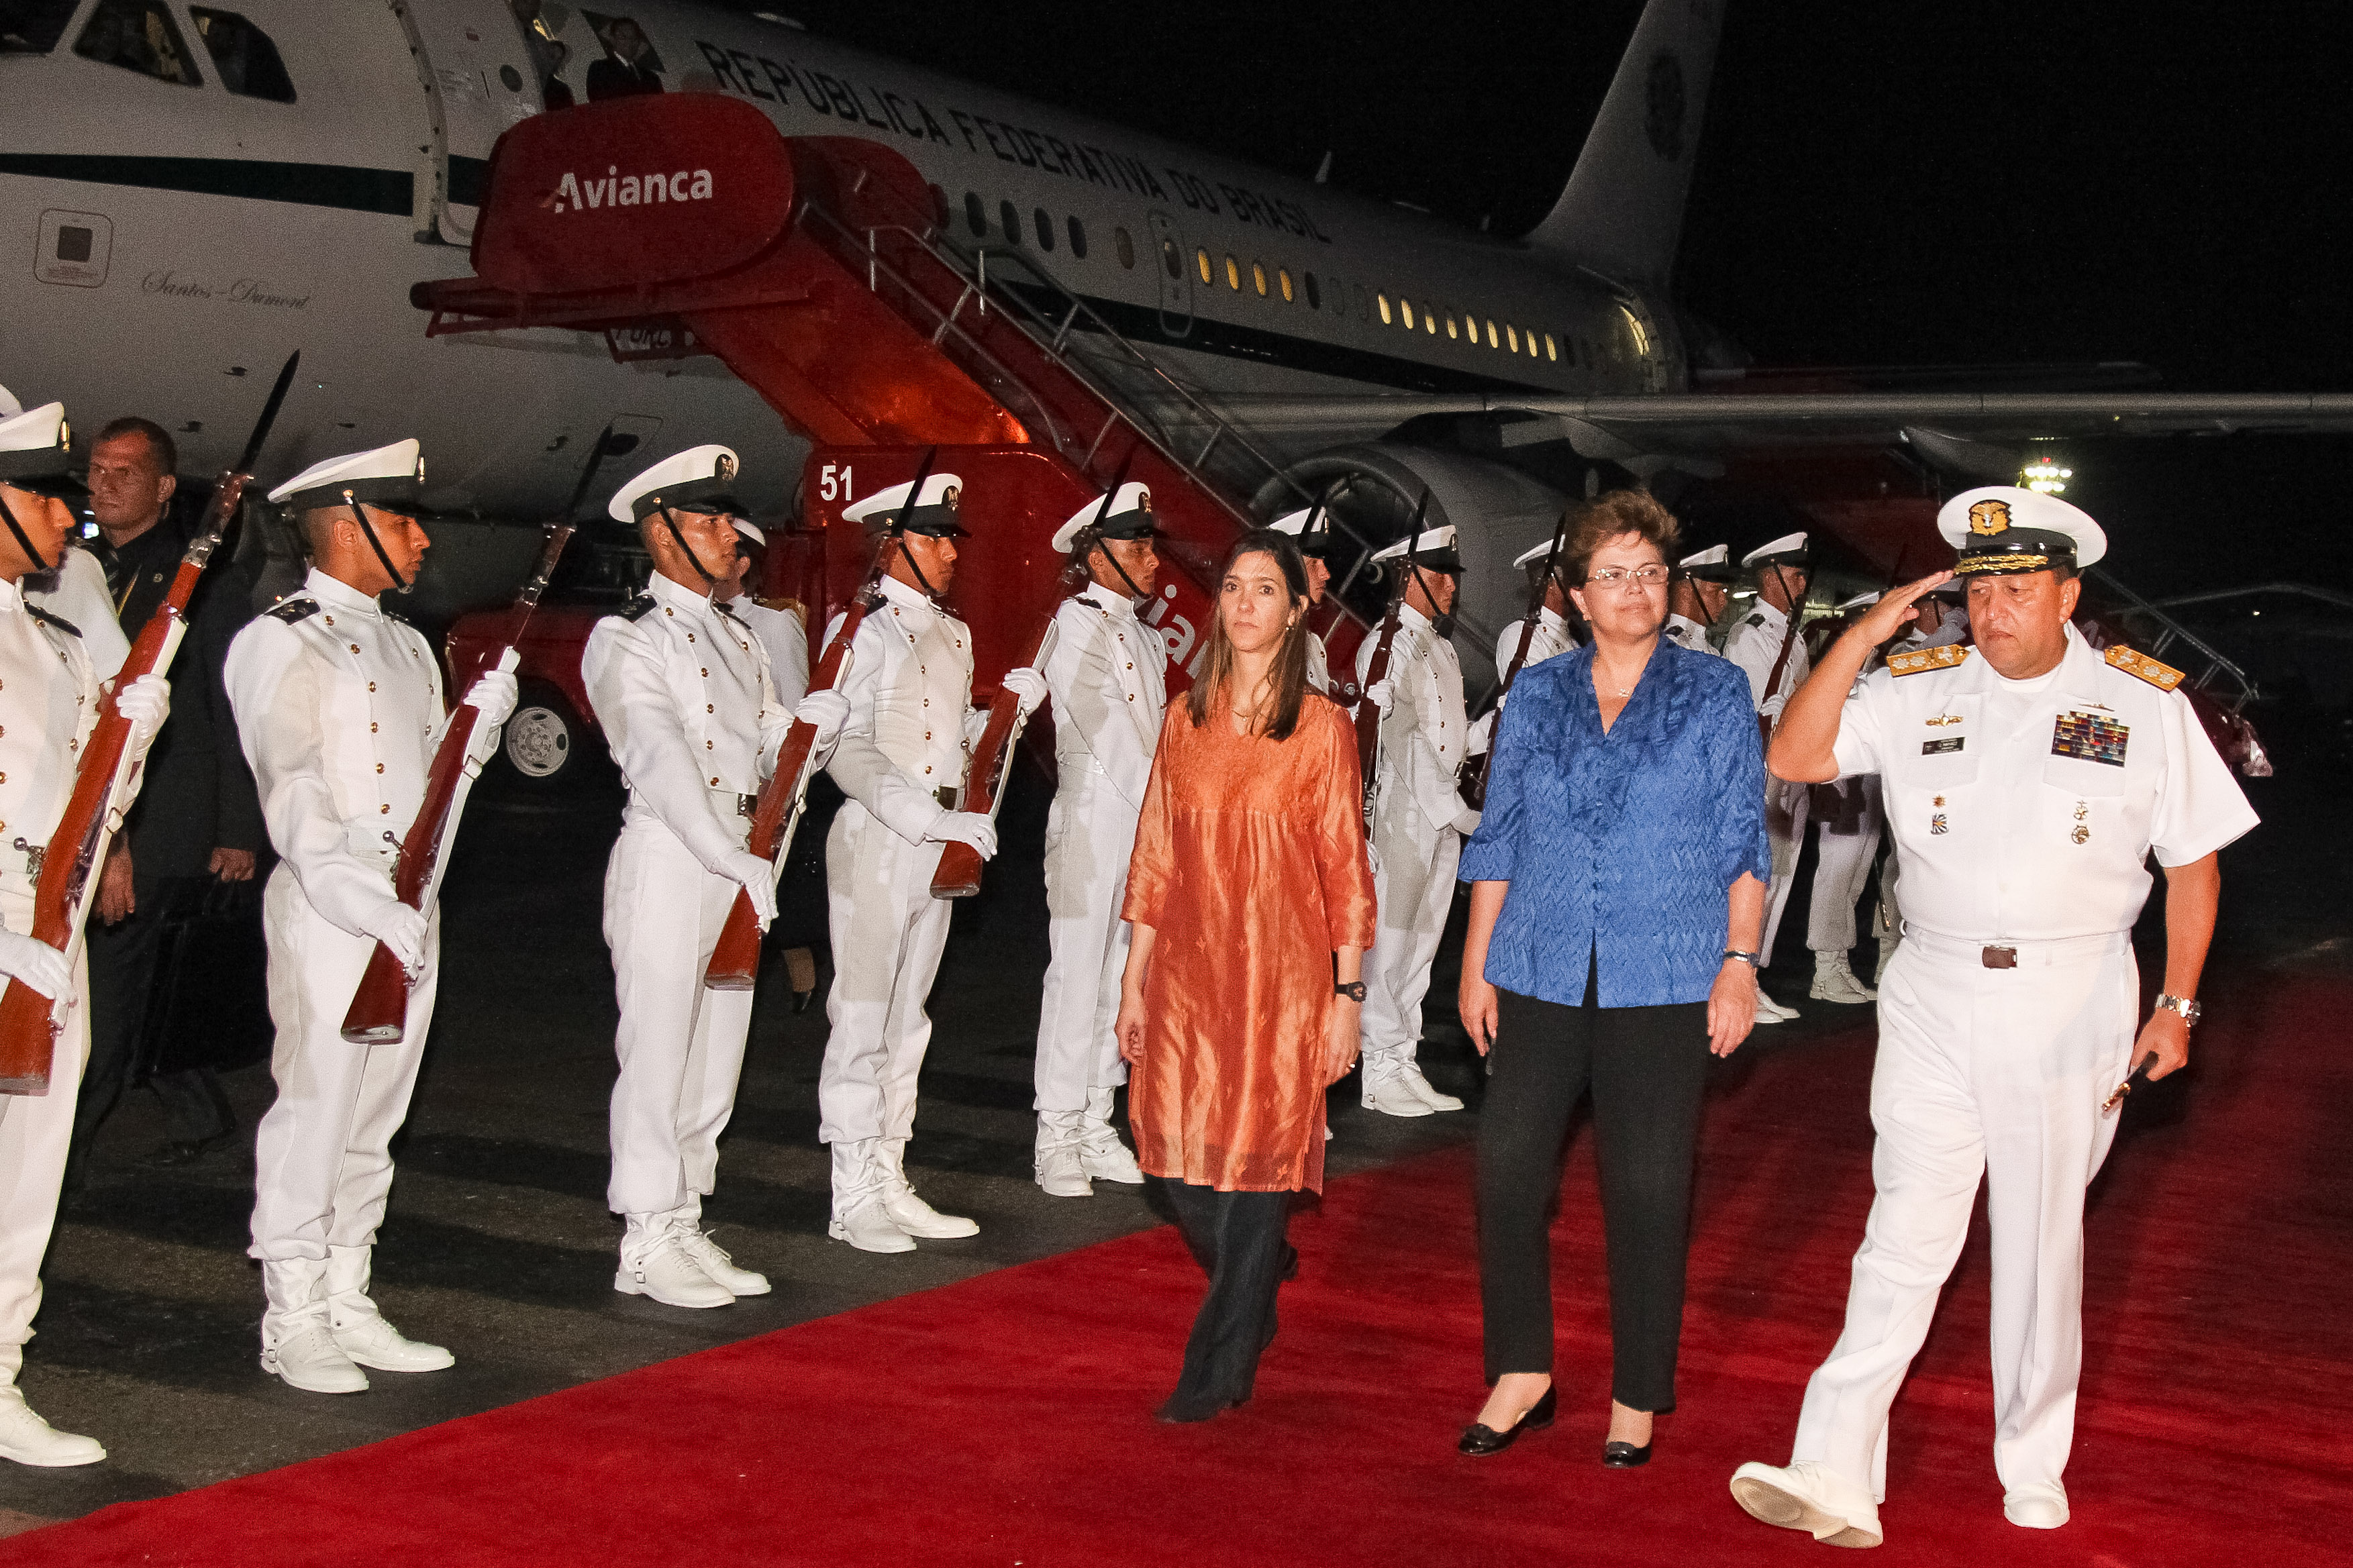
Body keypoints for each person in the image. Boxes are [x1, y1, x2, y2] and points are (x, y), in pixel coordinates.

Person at [1730, 487, 2258, 1546]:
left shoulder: (2143, 701)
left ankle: (2029, 1456)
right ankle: (1832, 1465)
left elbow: (2191, 866)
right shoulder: (1914, 686)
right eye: (1979, 587)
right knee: (1900, 1233)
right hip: (1929, 987)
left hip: (2071, 994)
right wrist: (1862, 638)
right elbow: (1790, 759)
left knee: (2035, 1239)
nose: (1993, 607)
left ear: (2067, 595)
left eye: (2019, 587)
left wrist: (2177, 1002)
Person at [1454, 488, 1768, 1466]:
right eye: (1612, 574)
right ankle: (1522, 1368)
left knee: (1646, 1185)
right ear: (1577, 595)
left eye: (1648, 572)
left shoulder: (1712, 691)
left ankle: (1637, 1390)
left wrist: (1739, 962)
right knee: (1504, 1168)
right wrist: (1474, 965)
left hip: (1667, 970)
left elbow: (1742, 841)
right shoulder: (1537, 693)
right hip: (1539, 961)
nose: (1633, 590)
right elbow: (1497, 833)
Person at [227, 438, 517, 1394]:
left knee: (376, 1114)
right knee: (316, 1107)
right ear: (346, 525)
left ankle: (349, 1291)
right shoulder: (283, 637)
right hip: (333, 908)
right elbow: (292, 785)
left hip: (408, 908)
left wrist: (473, 742)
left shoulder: (404, 641)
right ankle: (294, 1312)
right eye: (402, 518)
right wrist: (353, 892)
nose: (422, 536)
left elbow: (433, 793)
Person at [1113, 528, 1375, 1422]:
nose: (1245, 605)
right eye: (1232, 589)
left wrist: (1346, 997)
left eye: (1264, 590)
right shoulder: (1180, 721)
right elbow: (1153, 854)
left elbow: (1345, 867)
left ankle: (1216, 1370)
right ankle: (1256, 1273)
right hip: (1187, 977)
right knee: (1178, 1171)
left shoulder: (1320, 727)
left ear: (1295, 610)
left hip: (1283, 979)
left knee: (1258, 1173)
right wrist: (1131, 980)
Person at [585, 448, 806, 1310]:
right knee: (659, 1051)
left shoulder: (737, 635)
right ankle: (643, 1237)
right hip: (676, 859)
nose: (727, 534)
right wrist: (723, 850)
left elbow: (759, 747)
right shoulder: (627, 637)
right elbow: (657, 750)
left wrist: (805, 734)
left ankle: (683, 1215)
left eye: (726, 518)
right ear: (661, 532)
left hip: (738, 859)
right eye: (708, 520)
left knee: (715, 1054)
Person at [0, 390, 170, 1465]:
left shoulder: (55, 637)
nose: (72, 518)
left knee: (27, 1172)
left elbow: (89, 798)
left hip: (48, 938)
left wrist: (134, 733)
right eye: (45, 497)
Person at [62, 417, 264, 1184]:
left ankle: (65, 1157)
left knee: (110, 993)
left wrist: (237, 829)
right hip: (83, 809)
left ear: (164, 486)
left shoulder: (204, 581)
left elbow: (232, 705)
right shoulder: (70, 569)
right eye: (98, 469)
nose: (104, 483)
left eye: (124, 471)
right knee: (118, 985)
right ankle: (197, 1106)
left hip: (161, 819)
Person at [815, 472, 999, 1253]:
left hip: (938, 839)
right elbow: (839, 747)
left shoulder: (953, 635)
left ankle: (889, 1170)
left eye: (950, 537)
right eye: (930, 537)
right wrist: (924, 815)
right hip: (879, 838)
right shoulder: (858, 632)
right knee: (859, 1016)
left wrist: (993, 731)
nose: (948, 552)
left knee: (908, 1018)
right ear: (890, 543)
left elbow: (947, 742)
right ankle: (850, 1190)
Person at [1004, 482, 1164, 1199]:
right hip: (1093, 824)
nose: (1153, 559)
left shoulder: (1145, 635)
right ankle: (1056, 1131)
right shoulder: (1072, 626)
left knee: (1122, 978)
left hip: (1139, 828)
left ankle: (1097, 1118)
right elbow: (1102, 739)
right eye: (1136, 547)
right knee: (1075, 978)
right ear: (1097, 558)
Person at [1353, 523, 1479, 1117]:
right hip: (1405, 813)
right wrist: (1460, 814)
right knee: (1393, 941)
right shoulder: (1387, 645)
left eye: (1451, 574)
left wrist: (1493, 725)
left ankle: (1403, 1055)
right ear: (1407, 578)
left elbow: (1448, 739)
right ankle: (1377, 1069)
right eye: (1438, 574)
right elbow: (1401, 739)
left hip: (1439, 813)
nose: (1450, 585)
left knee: (1424, 944)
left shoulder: (1441, 646)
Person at [717, 516, 817, 1012]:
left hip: (762, 782)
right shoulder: (698, 622)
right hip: (717, 781)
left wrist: (778, 788)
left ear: (742, 564)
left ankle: (801, 976)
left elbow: (796, 708)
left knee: (775, 895)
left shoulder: (772, 624)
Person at [1721, 531, 1813, 1021]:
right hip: (1760, 768)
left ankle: (1754, 976)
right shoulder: (1752, 634)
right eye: (1795, 574)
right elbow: (1750, 715)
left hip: (1790, 768)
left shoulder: (1792, 635)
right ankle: (1736, 975)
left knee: (1780, 876)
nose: (1802, 584)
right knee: (1755, 878)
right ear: (1770, 576)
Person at [1805, 591, 1889, 1006]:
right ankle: (1825, 971)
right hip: (1841, 782)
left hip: (1867, 783)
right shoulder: (1838, 666)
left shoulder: (1871, 666)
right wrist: (1824, 789)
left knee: (1855, 879)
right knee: (1836, 876)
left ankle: (1839, 963)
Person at [1266, 501, 1350, 697]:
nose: (1326, 574)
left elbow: (1319, 719)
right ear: (1289, 569)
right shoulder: (1264, 636)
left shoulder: (1313, 645)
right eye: (1314, 564)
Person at [1664, 543, 1734, 652]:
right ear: (1686, 592)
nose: (1724, 602)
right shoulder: (1672, 647)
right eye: (1715, 591)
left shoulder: (1708, 649)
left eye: (1724, 592)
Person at [584, 15, 663, 101]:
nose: (629, 42)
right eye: (623, 38)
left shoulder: (652, 77)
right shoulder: (600, 69)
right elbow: (600, 104)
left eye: (634, 38)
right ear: (613, 39)